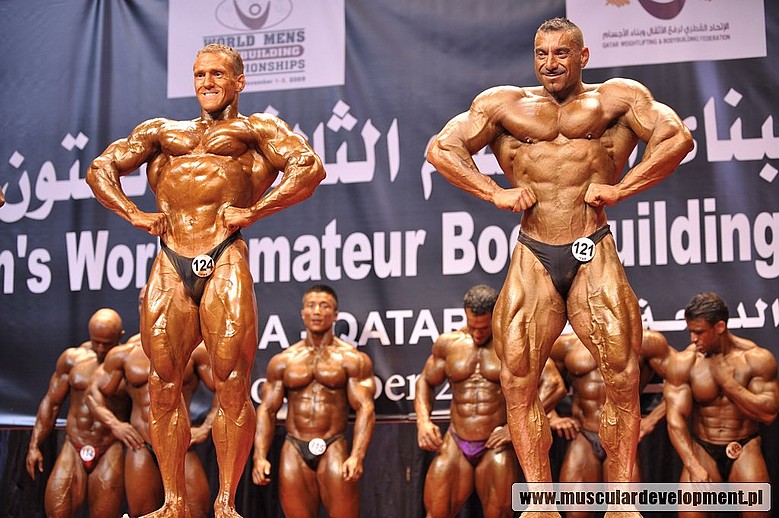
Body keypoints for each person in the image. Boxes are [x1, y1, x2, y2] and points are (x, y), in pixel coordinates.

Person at [426, 16, 693, 496]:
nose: (550, 63)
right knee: (518, 381)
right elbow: (442, 149)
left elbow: (676, 139)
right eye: (542, 54)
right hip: (533, 251)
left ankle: (623, 499)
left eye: (561, 53)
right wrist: (493, 192)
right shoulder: (504, 105)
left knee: (623, 375)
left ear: (582, 56)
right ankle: (541, 500)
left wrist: (623, 187)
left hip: (594, 246)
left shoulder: (617, 98)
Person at [86, 43, 326, 518]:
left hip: (224, 254)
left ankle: (225, 503)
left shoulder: (257, 130)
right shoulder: (161, 131)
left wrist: (255, 211)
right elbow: (101, 168)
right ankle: (172, 503)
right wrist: (134, 213)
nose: (207, 82)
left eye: (217, 74)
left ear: (239, 82)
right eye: (200, 75)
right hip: (170, 257)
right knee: (162, 382)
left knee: (232, 379)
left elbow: (309, 168)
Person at [416, 284, 567, 518]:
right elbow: (425, 381)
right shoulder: (449, 344)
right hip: (456, 440)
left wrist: (513, 428)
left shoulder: (513, 345)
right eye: (472, 326)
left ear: (496, 316)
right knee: (436, 512)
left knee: (498, 514)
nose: (477, 333)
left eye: (484, 328)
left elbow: (555, 385)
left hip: (496, 444)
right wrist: (423, 422)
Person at [252, 284, 376, 518]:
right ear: (303, 313)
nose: (317, 311)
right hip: (294, 446)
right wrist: (259, 456)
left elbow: (365, 408)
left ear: (336, 314)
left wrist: (357, 455)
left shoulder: (352, 359)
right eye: (311, 305)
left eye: (324, 306)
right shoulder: (283, 360)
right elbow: (267, 410)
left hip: (333, 444)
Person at [664, 292, 778, 516]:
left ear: (719, 327)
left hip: (745, 446)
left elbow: (768, 414)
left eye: (699, 332)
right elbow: (675, 419)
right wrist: (692, 465)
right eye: (690, 331)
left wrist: (729, 384)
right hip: (702, 449)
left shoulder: (756, 359)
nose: (693, 339)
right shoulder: (685, 362)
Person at [88, 330, 216, 518]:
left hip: (180, 445)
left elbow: (226, 389)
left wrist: (206, 428)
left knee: (196, 512)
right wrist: (115, 424)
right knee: (143, 513)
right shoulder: (125, 353)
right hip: (141, 445)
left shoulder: (194, 351)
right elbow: (93, 394)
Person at [548, 329, 673, 516]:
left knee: (624, 512)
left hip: (621, 437)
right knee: (575, 511)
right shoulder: (566, 345)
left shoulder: (645, 342)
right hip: (583, 434)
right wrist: (552, 416)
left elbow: (681, 382)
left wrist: (652, 420)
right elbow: (539, 382)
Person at [26, 308, 127, 518]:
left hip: (109, 446)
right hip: (73, 444)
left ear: (120, 336)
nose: (101, 349)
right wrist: (34, 445)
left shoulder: (127, 363)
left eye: (107, 343)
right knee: (57, 512)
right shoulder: (72, 359)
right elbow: (51, 403)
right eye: (96, 342)